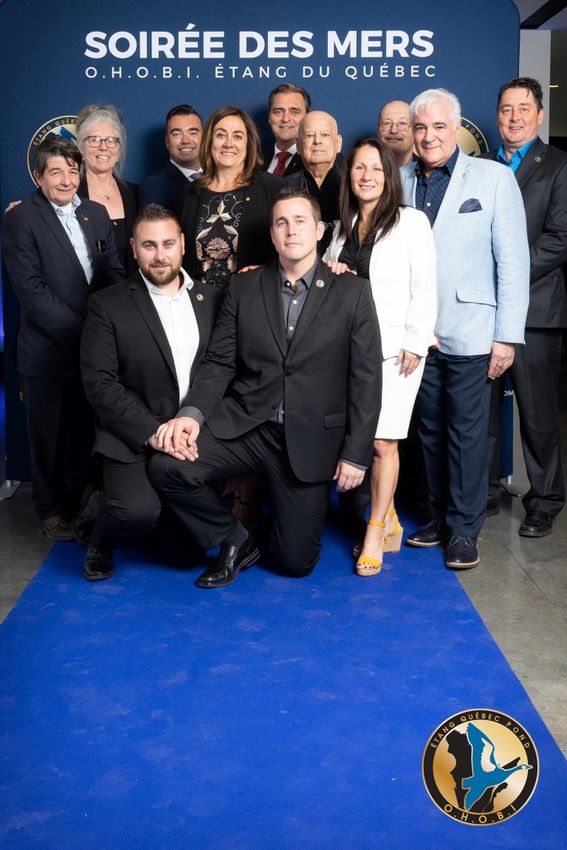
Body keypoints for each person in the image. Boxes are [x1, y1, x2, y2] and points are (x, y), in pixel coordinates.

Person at [148, 188, 382, 588]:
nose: (291, 230)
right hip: (248, 425)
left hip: (311, 437)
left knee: (294, 562)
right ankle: (235, 537)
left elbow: (366, 378)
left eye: (300, 221)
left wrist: (356, 454)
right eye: (281, 223)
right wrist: (191, 415)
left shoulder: (352, 292)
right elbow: (220, 363)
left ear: (319, 230)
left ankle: (271, 517)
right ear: (272, 234)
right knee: (168, 466)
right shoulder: (244, 286)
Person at [400, 88, 530, 569]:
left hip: (474, 329)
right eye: (420, 127)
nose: (429, 136)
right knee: (430, 430)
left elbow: (513, 262)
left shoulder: (494, 178)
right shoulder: (399, 178)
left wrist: (506, 335)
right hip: (420, 331)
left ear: (455, 128)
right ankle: (439, 517)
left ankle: (464, 529)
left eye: (438, 126)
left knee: (467, 434)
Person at [79, 204, 224, 580]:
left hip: (189, 436)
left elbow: (219, 369)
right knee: (136, 511)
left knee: (186, 554)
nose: (160, 255)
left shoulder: (212, 300)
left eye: (167, 244)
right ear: (133, 248)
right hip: (131, 435)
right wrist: (154, 432)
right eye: (149, 245)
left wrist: (188, 423)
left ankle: (124, 506)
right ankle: (100, 533)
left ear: (183, 244)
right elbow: (100, 384)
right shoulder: (107, 305)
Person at [324, 138, 436, 575]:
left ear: (389, 176)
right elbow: (325, 283)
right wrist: (332, 269)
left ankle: (374, 532)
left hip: (395, 350)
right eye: (359, 168)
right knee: (357, 436)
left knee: (382, 442)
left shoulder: (411, 222)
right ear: (348, 176)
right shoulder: (340, 228)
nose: (366, 176)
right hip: (347, 349)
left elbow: (425, 286)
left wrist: (416, 340)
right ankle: (387, 518)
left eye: (375, 168)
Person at [1, 137, 123, 539]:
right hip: (47, 353)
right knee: (49, 439)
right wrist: (88, 333)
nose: (67, 179)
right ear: (39, 176)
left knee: (84, 434)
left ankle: (82, 505)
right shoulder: (21, 219)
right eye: (56, 172)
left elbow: (114, 273)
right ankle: (51, 510)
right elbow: (33, 292)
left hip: (95, 350)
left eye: (73, 170)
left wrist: (112, 329)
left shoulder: (96, 213)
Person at [485, 77, 567, 537]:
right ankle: (483, 493)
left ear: (539, 115)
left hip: (536, 312)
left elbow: (560, 239)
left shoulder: (558, 165)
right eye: (506, 109)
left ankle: (545, 500)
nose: (514, 118)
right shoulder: (482, 166)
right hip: (484, 311)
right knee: (481, 411)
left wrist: (506, 271)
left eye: (523, 109)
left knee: (537, 415)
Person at [176, 105, 284, 289]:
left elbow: (293, 246)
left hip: (254, 298)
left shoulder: (273, 188)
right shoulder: (188, 193)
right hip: (199, 301)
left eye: (237, 136)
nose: (228, 143)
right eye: (220, 135)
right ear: (209, 142)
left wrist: (267, 273)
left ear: (248, 144)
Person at [75, 104, 138, 275]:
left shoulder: (136, 194)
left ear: (119, 150)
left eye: (111, 140)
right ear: (81, 148)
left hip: (134, 290)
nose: (103, 147)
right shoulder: (70, 196)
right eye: (94, 140)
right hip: (90, 291)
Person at [289, 111, 345, 252]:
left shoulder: (356, 183)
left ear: (338, 143)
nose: (317, 141)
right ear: (299, 146)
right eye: (309, 135)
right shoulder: (283, 186)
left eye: (325, 135)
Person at [138, 104, 204, 209]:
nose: (185, 140)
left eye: (193, 133)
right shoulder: (154, 186)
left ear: (205, 138)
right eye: (176, 134)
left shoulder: (219, 178)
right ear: (167, 142)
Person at [265, 83, 311, 178]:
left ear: (307, 117)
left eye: (295, 112)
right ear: (269, 117)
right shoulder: (255, 163)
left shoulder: (315, 161)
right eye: (278, 112)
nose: (285, 119)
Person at [377, 101, 416, 167]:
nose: (393, 130)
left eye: (402, 123)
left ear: (415, 131)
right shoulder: (365, 169)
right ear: (378, 130)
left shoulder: (428, 169)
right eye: (387, 123)